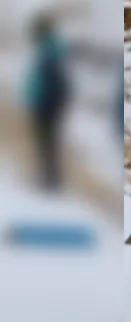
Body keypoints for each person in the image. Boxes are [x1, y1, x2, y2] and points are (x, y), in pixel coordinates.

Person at [21, 13, 70, 193]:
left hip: (45, 105)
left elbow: (48, 82)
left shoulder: (49, 53)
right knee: (47, 142)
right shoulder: (49, 51)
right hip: (46, 104)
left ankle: (50, 180)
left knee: (47, 142)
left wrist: (42, 102)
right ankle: (49, 177)